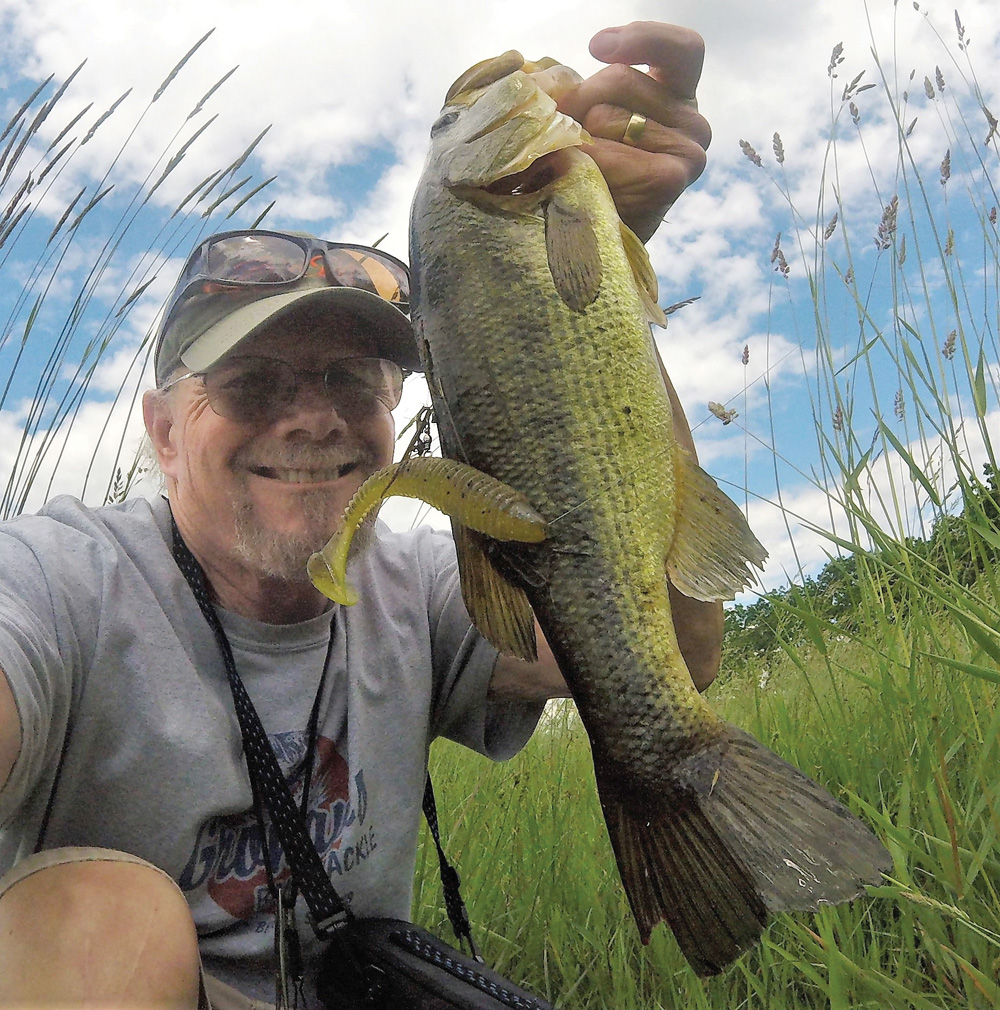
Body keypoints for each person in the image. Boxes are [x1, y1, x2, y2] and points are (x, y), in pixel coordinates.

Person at [0, 21, 717, 1009]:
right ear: (163, 432)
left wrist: (593, 301)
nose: (312, 417)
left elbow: (679, 652)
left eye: (350, 379)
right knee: (104, 919)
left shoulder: (417, 582)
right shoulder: (62, 581)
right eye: (253, 382)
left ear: (392, 412)